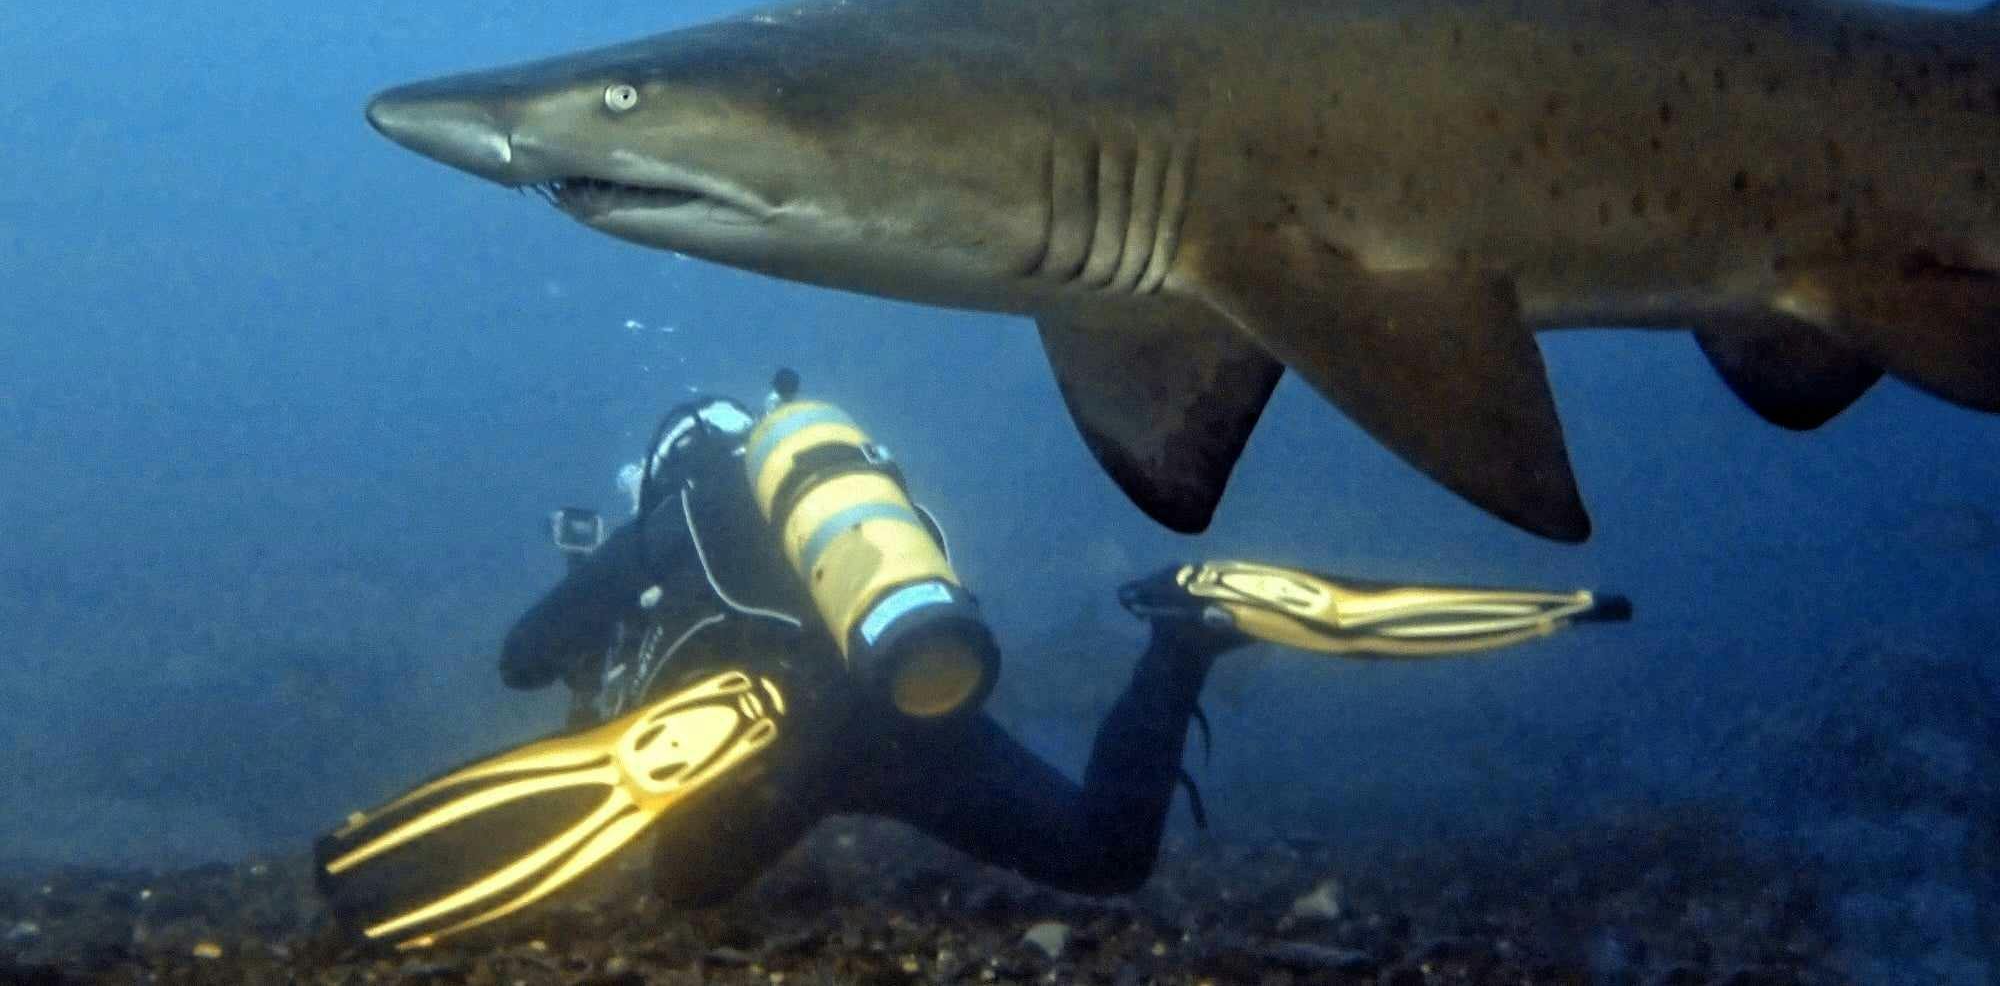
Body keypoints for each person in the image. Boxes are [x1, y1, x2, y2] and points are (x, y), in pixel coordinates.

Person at [317, 371, 1629, 950]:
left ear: (669, 462)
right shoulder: (847, 505)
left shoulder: (679, 518)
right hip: (918, 688)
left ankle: (753, 716)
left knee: (685, 885)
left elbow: (514, 660)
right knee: (1101, 855)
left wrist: (594, 605)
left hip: (789, 745)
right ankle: (1182, 633)